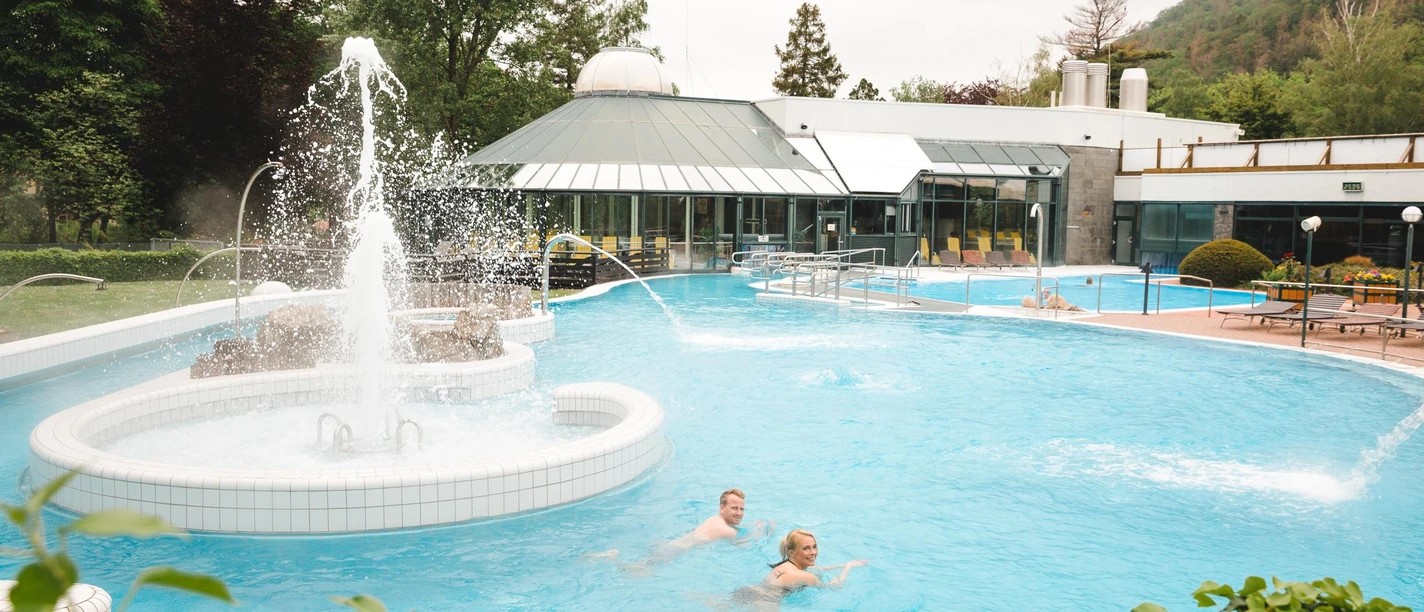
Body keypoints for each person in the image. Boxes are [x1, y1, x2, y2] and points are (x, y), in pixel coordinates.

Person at [590, 488, 770, 572]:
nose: (739, 513)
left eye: (742, 509)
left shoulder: (715, 520)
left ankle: (613, 558)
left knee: (641, 566)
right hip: (674, 551)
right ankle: (612, 559)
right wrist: (764, 530)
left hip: (673, 546)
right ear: (722, 508)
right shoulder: (725, 529)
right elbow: (745, 543)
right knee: (636, 570)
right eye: (734, 508)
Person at [730, 529, 867, 609]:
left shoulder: (785, 564)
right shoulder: (807, 577)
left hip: (747, 591)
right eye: (806, 548)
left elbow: (819, 568)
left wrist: (842, 564)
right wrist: (848, 567)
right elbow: (836, 586)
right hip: (765, 602)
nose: (813, 552)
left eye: (814, 546)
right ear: (791, 552)